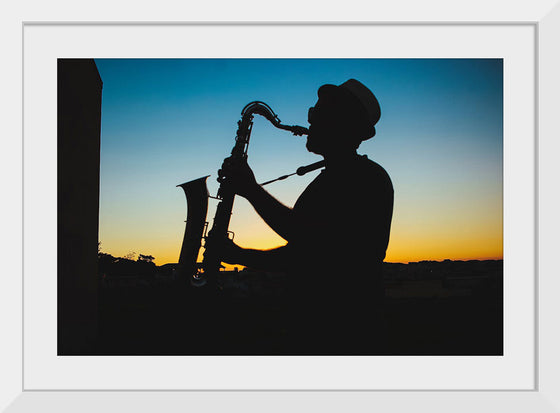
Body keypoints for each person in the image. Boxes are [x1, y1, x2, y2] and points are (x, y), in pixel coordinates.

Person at [212, 79, 394, 354]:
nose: (309, 120)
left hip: (344, 333)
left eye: (318, 114)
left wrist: (250, 190)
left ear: (343, 125)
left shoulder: (366, 178)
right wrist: (239, 255)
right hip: (317, 329)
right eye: (312, 113)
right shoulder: (331, 179)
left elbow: (314, 240)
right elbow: (302, 255)